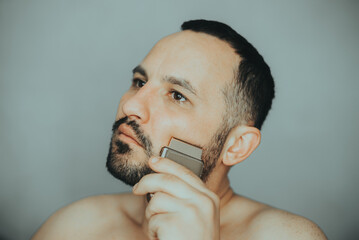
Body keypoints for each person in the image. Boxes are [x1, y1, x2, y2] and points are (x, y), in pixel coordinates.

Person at [32, 19, 327, 240]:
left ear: (237, 145)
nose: (132, 105)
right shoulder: (76, 227)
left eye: (177, 95)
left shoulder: (288, 236)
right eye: (139, 82)